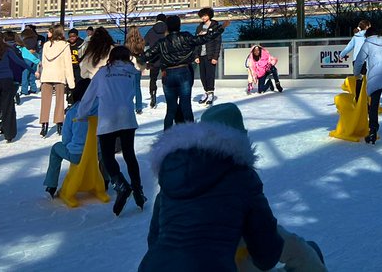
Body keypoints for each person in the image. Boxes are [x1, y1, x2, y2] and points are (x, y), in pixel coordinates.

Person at [137, 103, 326, 272]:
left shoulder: (173, 177)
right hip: (215, 265)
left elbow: (154, 239)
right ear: (240, 139)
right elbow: (266, 255)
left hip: (154, 266)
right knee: (297, 249)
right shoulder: (242, 177)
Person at [75, 45, 145, 215]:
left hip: (107, 118)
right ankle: (138, 189)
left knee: (107, 156)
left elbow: (89, 96)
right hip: (127, 118)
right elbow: (136, 90)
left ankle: (121, 184)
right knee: (129, 154)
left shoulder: (102, 73)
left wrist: (81, 114)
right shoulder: (132, 72)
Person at [142, 15, 223, 129]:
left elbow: (147, 54)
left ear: (167, 27)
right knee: (186, 106)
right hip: (184, 71)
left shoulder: (162, 42)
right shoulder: (186, 37)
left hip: (168, 74)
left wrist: (132, 58)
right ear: (179, 25)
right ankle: (190, 136)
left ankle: (167, 137)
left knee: (171, 109)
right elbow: (204, 39)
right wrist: (221, 28)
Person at [43, 102, 89, 198]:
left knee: (55, 149)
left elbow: (66, 139)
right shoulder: (99, 108)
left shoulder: (73, 112)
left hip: (77, 154)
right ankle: (105, 179)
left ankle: (51, 185)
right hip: (95, 153)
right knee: (104, 151)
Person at [37, 25, 75, 138]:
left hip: (47, 75)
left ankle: (44, 124)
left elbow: (43, 63)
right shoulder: (65, 46)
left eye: (49, 31)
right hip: (59, 75)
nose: (47, 33)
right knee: (60, 101)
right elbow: (68, 65)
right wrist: (71, 82)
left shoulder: (46, 45)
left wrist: (41, 77)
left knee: (45, 102)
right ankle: (59, 124)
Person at [193, 8, 222, 106]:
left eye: (205, 15)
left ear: (209, 15)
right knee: (202, 75)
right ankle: (206, 91)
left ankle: (210, 93)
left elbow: (218, 43)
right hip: (201, 55)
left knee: (210, 75)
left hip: (210, 55)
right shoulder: (199, 27)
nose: (203, 18)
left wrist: (215, 57)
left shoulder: (215, 27)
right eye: (202, 16)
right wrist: (196, 55)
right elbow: (196, 42)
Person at [144, 14, 168, 110]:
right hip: (166, 59)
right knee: (166, 77)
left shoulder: (151, 31)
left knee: (153, 79)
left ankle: (153, 95)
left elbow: (145, 43)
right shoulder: (167, 30)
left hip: (153, 59)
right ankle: (168, 93)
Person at [125, 26, 148, 114]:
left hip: (130, 65)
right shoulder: (141, 41)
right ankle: (139, 107)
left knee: (129, 87)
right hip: (138, 65)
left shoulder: (128, 43)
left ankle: (128, 104)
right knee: (137, 87)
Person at [66, 29, 85, 100]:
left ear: (77, 36)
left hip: (79, 66)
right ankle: (70, 97)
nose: (72, 38)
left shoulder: (82, 44)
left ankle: (79, 96)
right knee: (69, 83)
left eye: (73, 36)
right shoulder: (66, 44)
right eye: (70, 36)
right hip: (69, 66)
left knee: (79, 82)